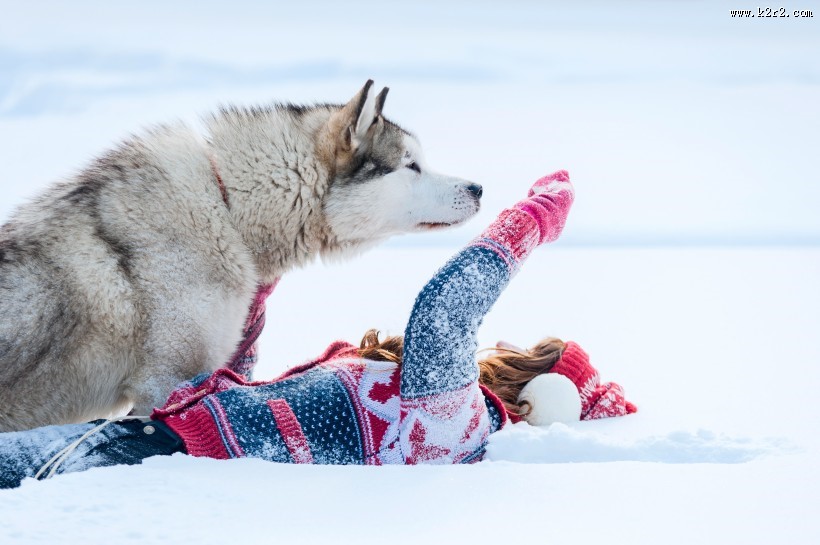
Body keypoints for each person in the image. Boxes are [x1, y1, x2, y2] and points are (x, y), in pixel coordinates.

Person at [0, 170, 635, 489]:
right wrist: (257, 290)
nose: (501, 350)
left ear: (531, 388)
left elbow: (446, 311)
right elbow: (238, 402)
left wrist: (530, 223)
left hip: (157, 461)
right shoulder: (421, 405)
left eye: (522, 354)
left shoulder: (453, 419)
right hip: (158, 443)